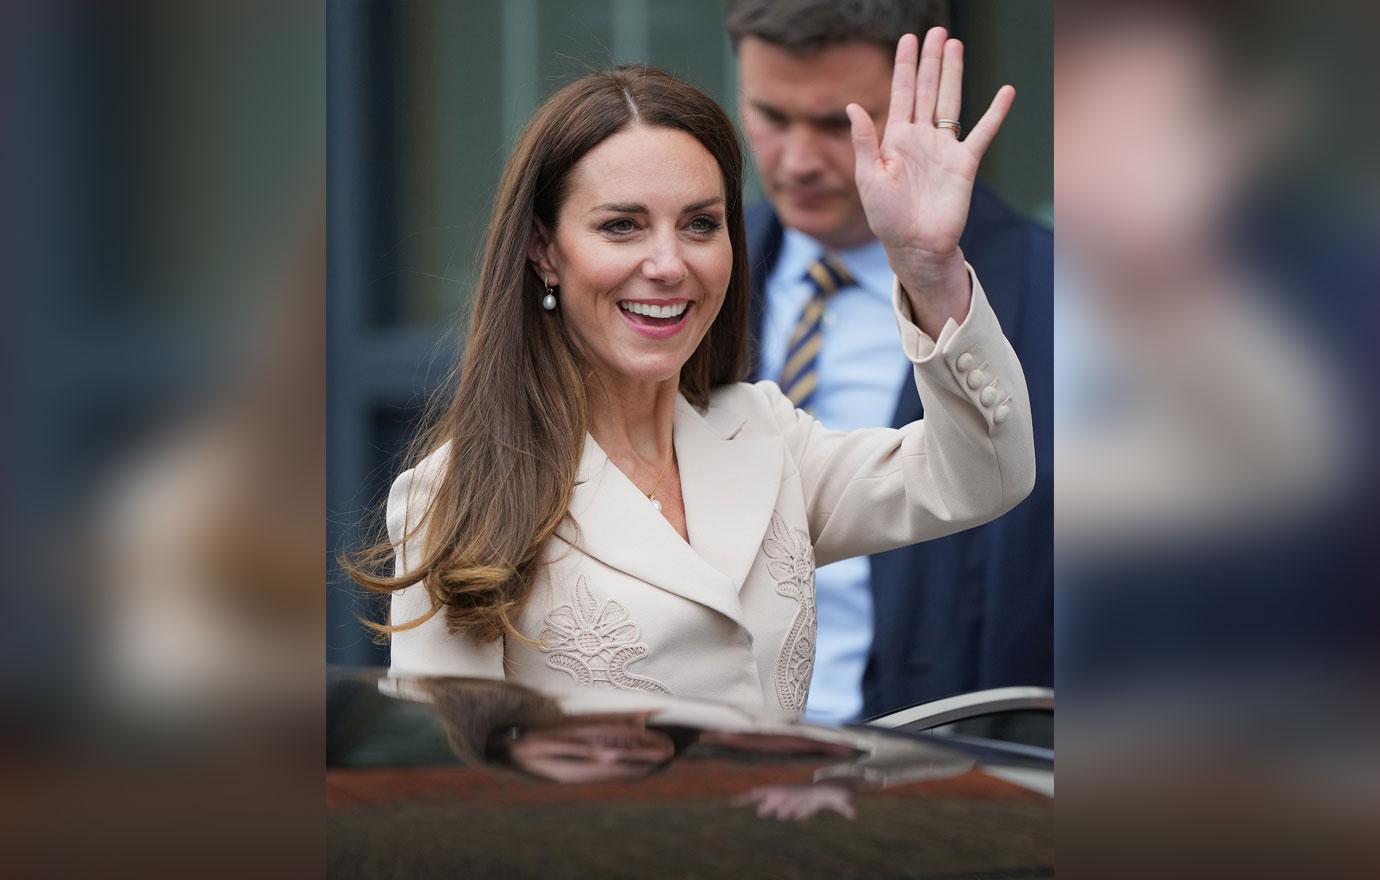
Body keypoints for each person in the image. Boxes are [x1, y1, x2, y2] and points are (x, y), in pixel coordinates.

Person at [349, 35, 1034, 721]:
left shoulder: (765, 435)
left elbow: (985, 473)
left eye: (701, 224)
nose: (670, 264)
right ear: (543, 251)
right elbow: (450, 786)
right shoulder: (457, 491)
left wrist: (926, 266)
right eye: (622, 227)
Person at [727, 0, 1054, 722]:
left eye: (841, 125)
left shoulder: (1061, 299)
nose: (800, 160)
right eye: (772, 117)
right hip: (722, 770)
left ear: (922, 106)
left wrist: (932, 274)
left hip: (954, 777)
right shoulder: (691, 281)